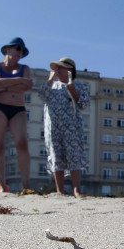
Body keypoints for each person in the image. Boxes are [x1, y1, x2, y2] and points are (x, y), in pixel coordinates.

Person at [0, 37, 33, 193]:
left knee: (22, 144)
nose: (20, 52)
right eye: (17, 48)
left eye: (22, 50)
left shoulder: (25, 67)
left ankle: (26, 185)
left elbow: (28, 85)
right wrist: (18, 80)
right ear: (7, 50)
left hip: (17, 108)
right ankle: (0, 184)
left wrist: (2, 88)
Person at [38, 57, 90, 196]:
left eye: (61, 68)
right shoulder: (51, 85)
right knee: (56, 155)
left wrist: (73, 91)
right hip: (53, 127)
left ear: (69, 71)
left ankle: (77, 189)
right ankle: (60, 190)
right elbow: (42, 95)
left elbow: (84, 104)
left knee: (73, 155)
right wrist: (50, 80)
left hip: (72, 127)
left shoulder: (79, 85)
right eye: (56, 68)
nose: (58, 70)